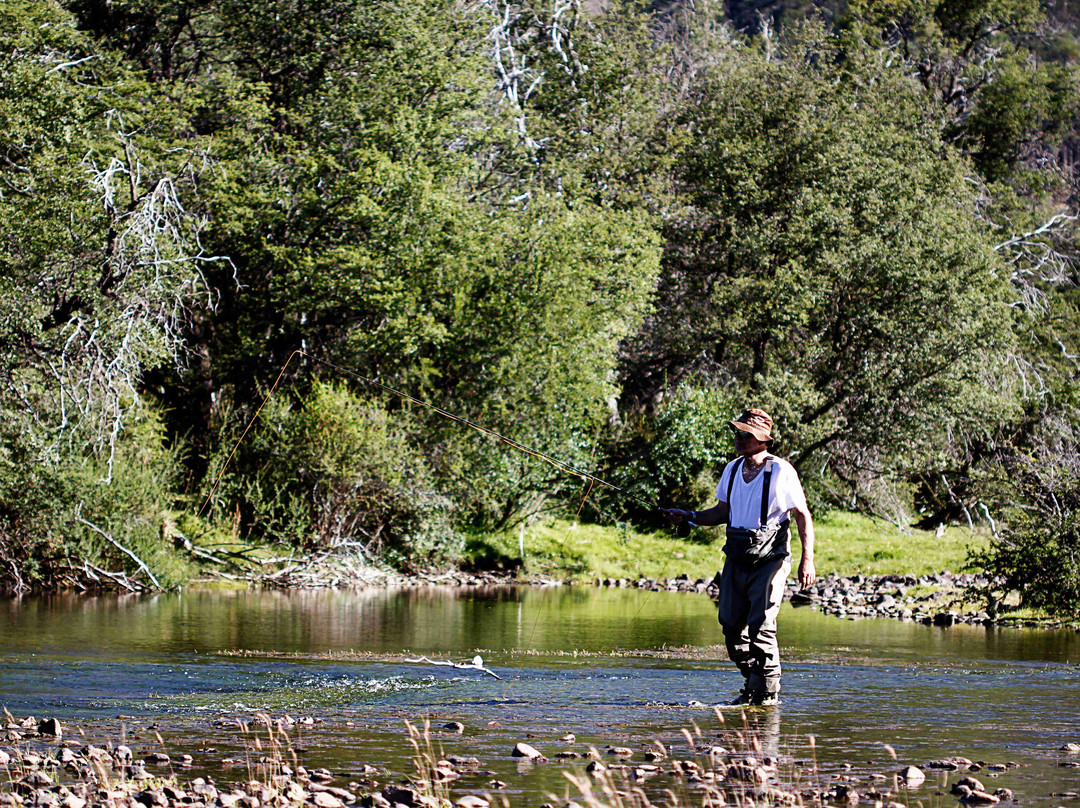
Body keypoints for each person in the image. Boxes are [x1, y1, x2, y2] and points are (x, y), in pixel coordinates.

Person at [663, 408, 815, 706]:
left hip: (771, 558)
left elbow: (802, 516)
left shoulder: (782, 471)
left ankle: (767, 695)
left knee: (762, 626)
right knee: (731, 625)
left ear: (762, 439)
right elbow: (722, 512)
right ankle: (752, 681)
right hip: (736, 556)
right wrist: (689, 515)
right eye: (738, 432)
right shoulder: (732, 469)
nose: (739, 438)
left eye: (746, 434)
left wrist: (806, 559)